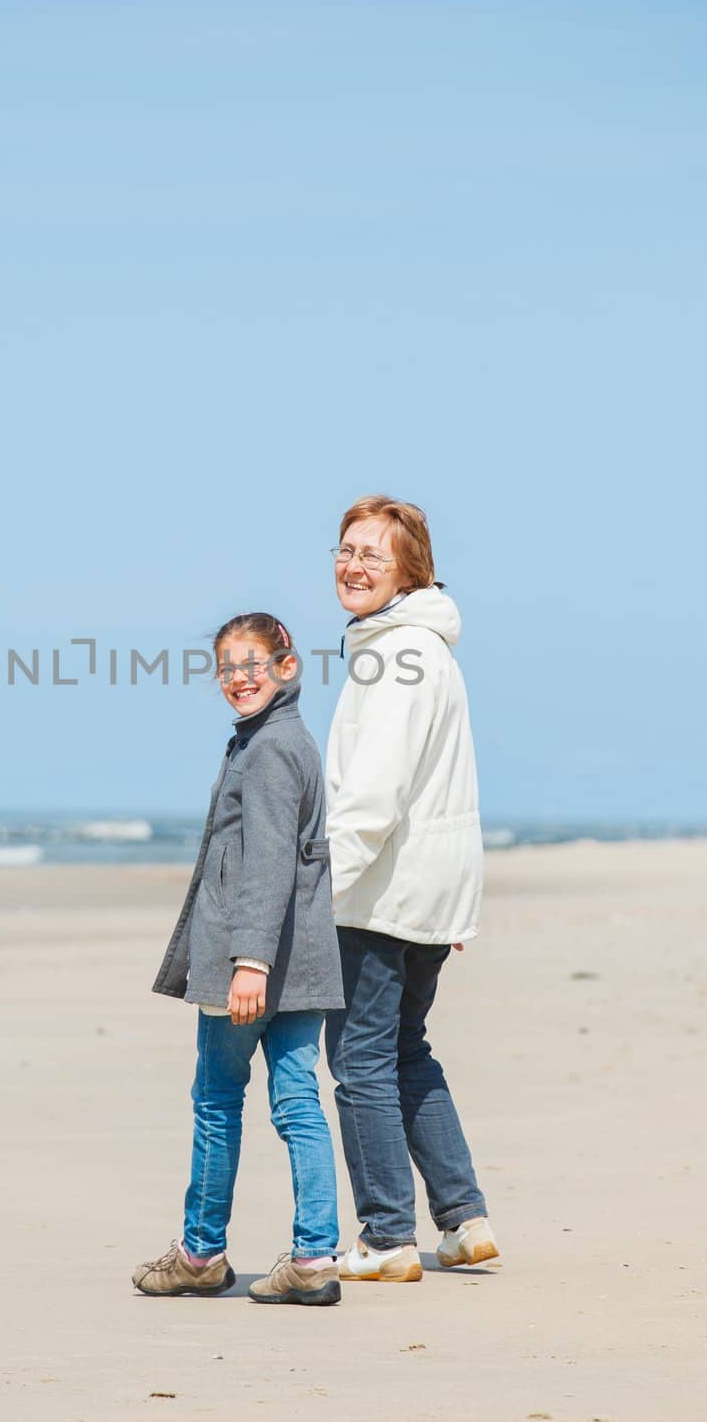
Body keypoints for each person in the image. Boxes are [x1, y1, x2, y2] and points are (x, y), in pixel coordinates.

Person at [135, 612, 345, 1306]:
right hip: (304, 959)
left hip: (255, 965)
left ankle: (201, 1253)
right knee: (296, 1101)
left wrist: (249, 960)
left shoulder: (270, 749)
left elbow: (267, 863)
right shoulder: (279, 741)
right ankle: (314, 1258)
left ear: (287, 667)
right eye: (227, 667)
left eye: (253, 663)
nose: (238, 679)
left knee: (219, 1102)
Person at [324, 496, 500, 1283]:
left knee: (360, 1056)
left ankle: (388, 1236)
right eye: (345, 550)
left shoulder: (398, 655)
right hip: (428, 892)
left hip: (384, 891)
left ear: (409, 573)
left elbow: (373, 795)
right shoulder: (425, 648)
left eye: (373, 556)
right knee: (403, 1050)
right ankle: (462, 1221)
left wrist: (320, 887)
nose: (353, 566)